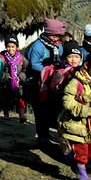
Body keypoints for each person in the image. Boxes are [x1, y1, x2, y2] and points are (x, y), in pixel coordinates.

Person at [58, 51, 91, 180]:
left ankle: (73, 159)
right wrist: (88, 111)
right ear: (86, 65)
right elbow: (67, 103)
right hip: (75, 124)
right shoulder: (76, 82)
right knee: (82, 150)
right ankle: (81, 172)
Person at [26, 18, 66, 146]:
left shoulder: (58, 46)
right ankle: (42, 135)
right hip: (37, 82)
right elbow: (34, 64)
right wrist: (48, 70)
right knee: (40, 109)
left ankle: (47, 131)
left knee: (50, 109)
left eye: (58, 36)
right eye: (54, 35)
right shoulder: (38, 46)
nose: (56, 38)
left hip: (52, 83)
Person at [0, 35, 27, 123]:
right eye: (8, 47)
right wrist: (7, 77)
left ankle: (21, 115)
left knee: (20, 99)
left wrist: (20, 77)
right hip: (6, 83)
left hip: (18, 83)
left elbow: (26, 71)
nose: (10, 49)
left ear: (17, 47)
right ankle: (6, 114)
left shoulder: (21, 58)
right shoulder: (2, 58)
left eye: (13, 47)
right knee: (5, 99)